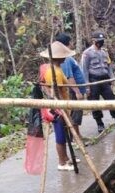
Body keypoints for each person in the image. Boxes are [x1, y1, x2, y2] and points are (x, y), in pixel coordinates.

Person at [38, 41, 79, 171]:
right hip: (58, 108)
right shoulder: (52, 72)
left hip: (63, 106)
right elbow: (55, 92)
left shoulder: (57, 69)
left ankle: (66, 158)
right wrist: (61, 109)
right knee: (60, 136)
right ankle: (62, 162)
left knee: (65, 133)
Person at [81, 31, 115, 133]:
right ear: (94, 41)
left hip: (105, 80)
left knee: (112, 100)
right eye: (99, 41)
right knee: (94, 103)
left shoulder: (104, 52)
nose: (100, 43)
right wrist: (87, 86)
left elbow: (109, 66)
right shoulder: (87, 53)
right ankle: (100, 124)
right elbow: (84, 70)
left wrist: (112, 78)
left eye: (102, 41)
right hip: (93, 81)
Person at [55, 33, 86, 141]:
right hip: (74, 91)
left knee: (77, 113)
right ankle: (76, 137)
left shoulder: (68, 57)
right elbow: (69, 77)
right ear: (67, 43)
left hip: (78, 89)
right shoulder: (66, 59)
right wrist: (77, 92)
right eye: (71, 41)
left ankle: (77, 135)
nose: (72, 43)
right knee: (75, 113)